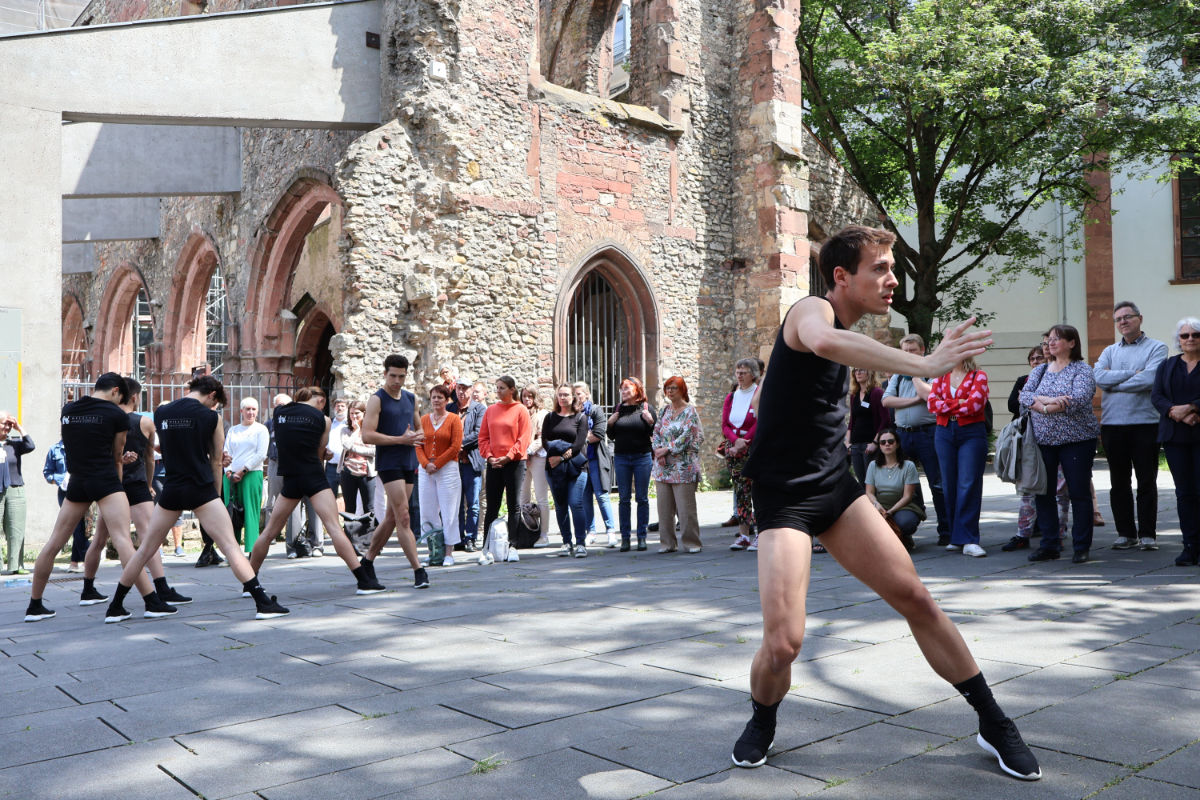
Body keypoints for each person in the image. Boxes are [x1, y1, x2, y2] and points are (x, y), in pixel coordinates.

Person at [732, 226, 1039, 781]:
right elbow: (823, 343)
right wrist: (924, 366)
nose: (893, 279)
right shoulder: (809, 311)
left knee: (917, 597)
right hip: (785, 497)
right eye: (880, 267)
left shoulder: (847, 328)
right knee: (783, 643)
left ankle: (993, 721)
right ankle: (762, 718)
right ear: (842, 277)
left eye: (892, 268)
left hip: (836, 488)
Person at [106, 375, 289, 621]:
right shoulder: (212, 417)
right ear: (212, 395)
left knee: (145, 550)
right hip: (200, 487)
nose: (213, 408)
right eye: (215, 403)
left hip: (172, 487)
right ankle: (262, 602)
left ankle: (115, 606)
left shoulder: (161, 413)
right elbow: (216, 461)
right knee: (230, 547)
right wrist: (215, 494)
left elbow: (169, 449)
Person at [24, 374, 166, 623]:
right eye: (119, 398)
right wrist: (118, 486)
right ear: (115, 391)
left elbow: (73, 445)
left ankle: (34, 605)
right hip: (106, 480)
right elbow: (117, 455)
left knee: (54, 542)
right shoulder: (116, 415)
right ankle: (151, 601)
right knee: (123, 541)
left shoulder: (68, 410)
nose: (119, 402)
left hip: (78, 480)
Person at [250, 386, 387, 595]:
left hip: (291, 478)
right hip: (313, 477)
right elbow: (320, 452)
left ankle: (249, 582)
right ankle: (363, 581)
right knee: (334, 528)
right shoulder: (323, 420)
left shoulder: (279, 413)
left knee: (269, 532)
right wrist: (323, 453)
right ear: (320, 402)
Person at [82, 377, 191, 609]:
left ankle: (87, 588)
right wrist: (149, 484)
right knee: (149, 537)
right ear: (134, 397)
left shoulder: (107, 419)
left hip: (111, 486)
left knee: (100, 539)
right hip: (136, 485)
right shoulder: (145, 423)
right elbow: (150, 459)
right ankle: (161, 588)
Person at [1020, 324, 1099, 564]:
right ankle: (1049, 544)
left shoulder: (1082, 370)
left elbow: (1078, 399)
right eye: (1048, 340)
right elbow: (1023, 396)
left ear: (1072, 343)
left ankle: (1081, 546)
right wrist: (1048, 402)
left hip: (1077, 440)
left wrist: (1042, 405)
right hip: (1043, 441)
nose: (1050, 343)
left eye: (1057, 339)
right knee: (1043, 492)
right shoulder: (1040, 370)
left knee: (1079, 493)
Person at [1094, 301, 1167, 551]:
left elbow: (1150, 378)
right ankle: (1126, 533)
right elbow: (1099, 378)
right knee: (1119, 483)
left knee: (1146, 481)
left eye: (1128, 317)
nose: (1123, 322)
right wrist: (1131, 375)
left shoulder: (1157, 347)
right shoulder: (1109, 351)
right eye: (1118, 319)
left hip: (1145, 424)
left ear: (1140, 319)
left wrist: (1114, 382)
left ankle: (1148, 534)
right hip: (1113, 425)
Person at [360, 355, 428, 589]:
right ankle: (419, 570)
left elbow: (419, 428)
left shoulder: (411, 398)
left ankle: (367, 561)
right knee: (404, 516)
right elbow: (367, 435)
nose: (397, 381)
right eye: (392, 376)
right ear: (385, 374)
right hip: (389, 462)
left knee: (391, 518)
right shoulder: (376, 400)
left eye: (401, 376)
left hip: (409, 460)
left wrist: (418, 437)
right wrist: (400, 440)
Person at [882, 334, 951, 546]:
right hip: (903, 435)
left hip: (928, 433)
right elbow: (886, 400)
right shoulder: (896, 376)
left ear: (922, 351)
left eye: (912, 351)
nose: (909, 355)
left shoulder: (932, 371)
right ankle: (908, 528)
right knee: (906, 484)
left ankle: (946, 530)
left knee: (937, 483)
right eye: (905, 351)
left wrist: (915, 375)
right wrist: (913, 400)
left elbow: (930, 397)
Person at [1002, 345, 1069, 552]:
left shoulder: (1063, 374)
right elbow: (1016, 403)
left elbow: (1066, 401)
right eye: (1033, 358)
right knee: (1028, 488)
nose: (1037, 360)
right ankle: (1023, 533)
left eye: (1040, 356)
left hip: (1059, 437)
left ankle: (1057, 533)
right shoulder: (1025, 379)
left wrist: (1033, 399)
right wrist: (1043, 401)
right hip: (1031, 438)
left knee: (1060, 489)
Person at [927, 356, 990, 557]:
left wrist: (946, 404)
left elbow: (975, 405)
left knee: (968, 482)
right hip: (944, 432)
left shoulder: (978, 376)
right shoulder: (939, 377)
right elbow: (931, 405)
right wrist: (959, 403)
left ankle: (969, 539)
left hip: (971, 432)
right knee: (949, 484)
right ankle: (956, 537)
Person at [1151, 317, 1200, 566]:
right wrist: (1173, 411)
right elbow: (1156, 395)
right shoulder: (1168, 365)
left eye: (1195, 335)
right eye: (1185, 336)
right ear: (1178, 340)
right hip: (1175, 437)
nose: (1190, 339)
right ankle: (1189, 546)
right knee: (1185, 494)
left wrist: (1192, 408)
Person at [651, 376, 704, 554]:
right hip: (663, 465)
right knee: (664, 509)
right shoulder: (664, 411)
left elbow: (688, 436)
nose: (670, 391)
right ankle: (667, 543)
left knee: (685, 508)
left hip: (683, 465)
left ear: (682, 390)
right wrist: (658, 450)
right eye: (667, 388)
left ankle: (691, 542)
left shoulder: (690, 411)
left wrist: (667, 450)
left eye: (674, 388)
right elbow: (656, 432)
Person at [479, 375, 531, 548]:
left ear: (511, 390)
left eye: (502, 388)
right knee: (492, 505)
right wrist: (490, 457)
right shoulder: (491, 410)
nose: (498, 391)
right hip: (494, 463)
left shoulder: (520, 409)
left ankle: (512, 544)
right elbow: (483, 437)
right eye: (497, 387)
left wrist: (509, 456)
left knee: (513, 504)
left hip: (515, 463)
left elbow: (524, 437)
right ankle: (487, 545)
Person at [608, 377, 657, 552]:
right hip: (622, 457)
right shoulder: (618, 409)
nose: (624, 392)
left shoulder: (646, 408)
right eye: (622, 389)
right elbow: (612, 435)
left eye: (627, 388)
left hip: (642, 457)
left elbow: (657, 433)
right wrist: (610, 423)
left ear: (637, 390)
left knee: (642, 498)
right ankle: (626, 538)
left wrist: (651, 422)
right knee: (623, 499)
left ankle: (642, 537)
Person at [417, 384, 463, 566]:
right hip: (425, 469)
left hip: (448, 469)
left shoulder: (453, 419)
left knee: (449, 510)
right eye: (433, 397)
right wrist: (426, 464)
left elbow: (455, 446)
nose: (436, 400)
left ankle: (449, 552)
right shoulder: (423, 420)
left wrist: (437, 463)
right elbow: (418, 444)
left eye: (440, 397)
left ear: (447, 400)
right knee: (427, 511)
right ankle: (433, 551)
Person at [543, 384, 590, 557]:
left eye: (566, 395)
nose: (563, 398)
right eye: (560, 395)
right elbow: (545, 441)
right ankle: (566, 542)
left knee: (575, 503)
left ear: (573, 397)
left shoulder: (580, 418)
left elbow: (578, 444)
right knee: (560, 505)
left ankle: (580, 543)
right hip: (554, 468)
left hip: (576, 468)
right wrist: (560, 449)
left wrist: (561, 456)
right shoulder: (550, 417)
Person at [864, 428, 925, 552]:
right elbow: (869, 492)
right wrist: (876, 504)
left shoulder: (908, 466)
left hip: (904, 506)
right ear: (879, 446)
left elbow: (907, 496)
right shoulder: (873, 465)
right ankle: (891, 541)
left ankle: (904, 536)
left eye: (891, 441)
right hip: (880, 505)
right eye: (883, 442)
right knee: (864, 523)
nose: (887, 444)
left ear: (897, 444)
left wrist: (890, 511)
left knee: (905, 523)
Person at [264, 393, 309, 560]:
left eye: (285, 405)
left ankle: (292, 545)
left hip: (292, 465)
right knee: (272, 503)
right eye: (278, 405)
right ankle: (268, 540)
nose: (281, 408)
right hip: (275, 464)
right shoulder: (269, 424)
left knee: (294, 506)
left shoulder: (296, 422)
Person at [223, 397, 270, 553]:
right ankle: (232, 551)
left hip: (250, 475)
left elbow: (261, 454)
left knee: (251, 513)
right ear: (241, 411)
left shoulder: (261, 430)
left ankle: (252, 551)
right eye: (247, 409)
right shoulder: (233, 430)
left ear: (257, 411)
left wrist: (243, 471)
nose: (250, 412)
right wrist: (229, 471)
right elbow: (226, 452)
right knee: (231, 514)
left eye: (253, 409)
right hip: (230, 477)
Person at [573, 382, 617, 548]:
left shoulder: (596, 410)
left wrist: (579, 438)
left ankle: (611, 531)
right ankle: (590, 532)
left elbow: (598, 434)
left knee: (601, 495)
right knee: (585, 498)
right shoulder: (572, 414)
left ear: (587, 394)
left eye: (580, 393)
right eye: (575, 394)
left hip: (596, 459)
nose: (577, 397)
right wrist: (583, 437)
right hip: (581, 462)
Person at [723, 359, 760, 552]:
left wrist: (744, 442)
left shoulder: (758, 394)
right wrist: (735, 441)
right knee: (740, 491)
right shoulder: (731, 397)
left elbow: (760, 421)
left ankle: (761, 533)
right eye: (737, 372)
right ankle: (744, 534)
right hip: (734, 450)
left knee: (757, 490)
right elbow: (725, 425)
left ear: (753, 374)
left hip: (752, 448)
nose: (739, 375)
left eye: (743, 372)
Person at [42, 439, 89, 572]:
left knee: (80, 526)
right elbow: (47, 473)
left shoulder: (82, 445)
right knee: (74, 525)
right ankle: (86, 558)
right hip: (65, 492)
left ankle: (75, 562)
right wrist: (60, 479)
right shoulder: (55, 449)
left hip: (83, 489)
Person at [1, 411, 33, 574]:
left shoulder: (14, 443)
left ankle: (16, 566)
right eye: (3, 423)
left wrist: (19, 427)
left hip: (15, 489)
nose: (6, 427)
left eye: (9, 424)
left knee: (16, 528)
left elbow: (30, 445)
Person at [456, 378, 486, 552]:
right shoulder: (451, 408)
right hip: (453, 463)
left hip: (471, 461)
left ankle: (471, 537)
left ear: (471, 390)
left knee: (473, 503)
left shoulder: (479, 409)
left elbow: (478, 433)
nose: (462, 392)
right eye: (459, 388)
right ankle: (458, 537)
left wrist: (458, 444)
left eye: (465, 389)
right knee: (457, 503)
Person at [519, 384, 551, 546]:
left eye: (530, 396)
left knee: (541, 497)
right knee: (522, 497)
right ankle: (525, 532)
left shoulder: (543, 414)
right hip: (523, 458)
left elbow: (543, 437)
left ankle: (544, 535)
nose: (526, 399)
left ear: (535, 397)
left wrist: (529, 451)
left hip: (538, 457)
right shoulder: (520, 413)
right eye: (524, 396)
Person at [846, 367, 888, 487]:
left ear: (870, 372)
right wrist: (848, 442)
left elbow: (885, 421)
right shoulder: (854, 394)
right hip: (855, 445)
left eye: (862, 370)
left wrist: (875, 442)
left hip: (870, 444)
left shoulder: (877, 393)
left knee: (872, 483)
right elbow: (852, 421)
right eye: (855, 370)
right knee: (861, 482)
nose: (858, 373)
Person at [339, 400, 376, 516]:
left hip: (367, 473)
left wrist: (354, 448)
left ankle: (369, 534)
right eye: (351, 413)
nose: (354, 416)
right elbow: (346, 445)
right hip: (348, 473)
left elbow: (374, 451)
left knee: (369, 508)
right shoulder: (345, 430)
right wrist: (357, 431)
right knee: (350, 508)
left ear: (364, 413)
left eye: (357, 413)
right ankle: (349, 534)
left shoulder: (371, 430)